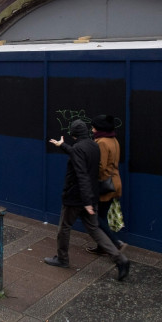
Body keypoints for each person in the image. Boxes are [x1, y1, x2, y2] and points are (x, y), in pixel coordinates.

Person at [45, 119, 130, 281]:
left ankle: (62, 258)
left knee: (64, 227)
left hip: (77, 198)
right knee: (95, 229)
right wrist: (62, 145)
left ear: (74, 134)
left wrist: (86, 202)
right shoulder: (93, 145)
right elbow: (80, 158)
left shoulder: (79, 148)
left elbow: (81, 175)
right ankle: (120, 259)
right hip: (91, 195)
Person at [86, 115, 127, 255]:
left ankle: (115, 242)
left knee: (94, 217)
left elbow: (101, 167)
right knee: (102, 215)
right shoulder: (113, 140)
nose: (92, 130)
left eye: (94, 127)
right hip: (115, 182)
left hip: (105, 185)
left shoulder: (102, 142)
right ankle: (102, 247)